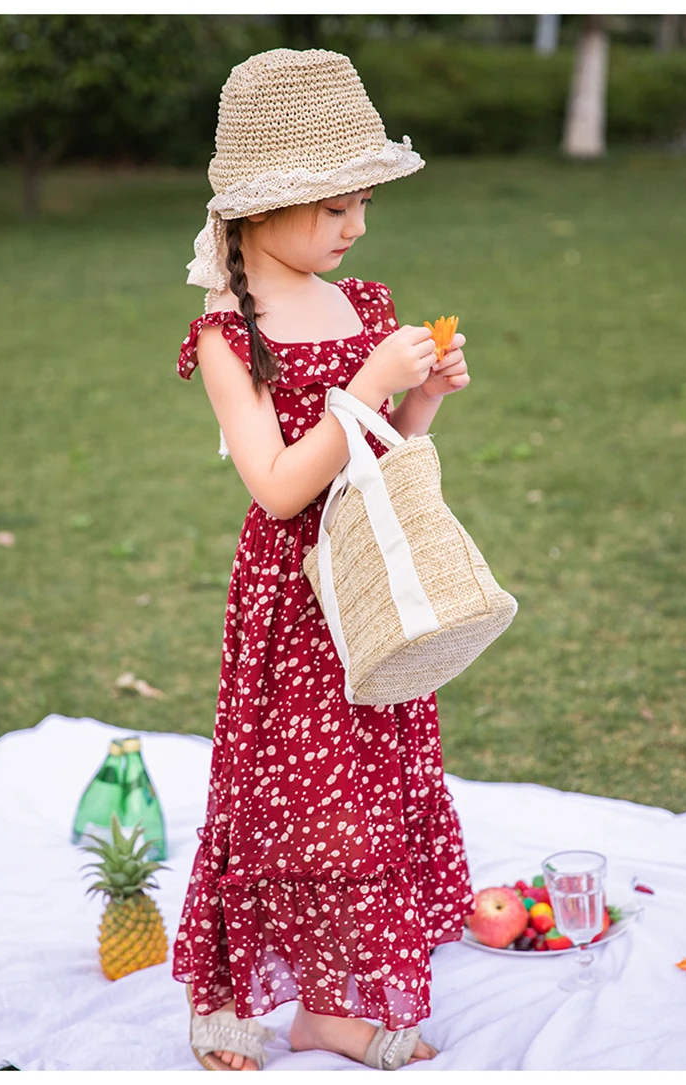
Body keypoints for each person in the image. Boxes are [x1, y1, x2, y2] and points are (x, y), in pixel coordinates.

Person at [173, 48, 474, 1072]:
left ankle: (335, 997)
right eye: (336, 207)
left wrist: (419, 397)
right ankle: (295, 998)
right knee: (304, 799)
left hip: (367, 575)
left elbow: (381, 446)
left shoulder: (359, 304)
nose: (356, 228)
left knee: (370, 783)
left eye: (363, 205)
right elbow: (275, 486)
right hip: (293, 596)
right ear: (261, 208)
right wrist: (364, 386)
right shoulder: (230, 334)